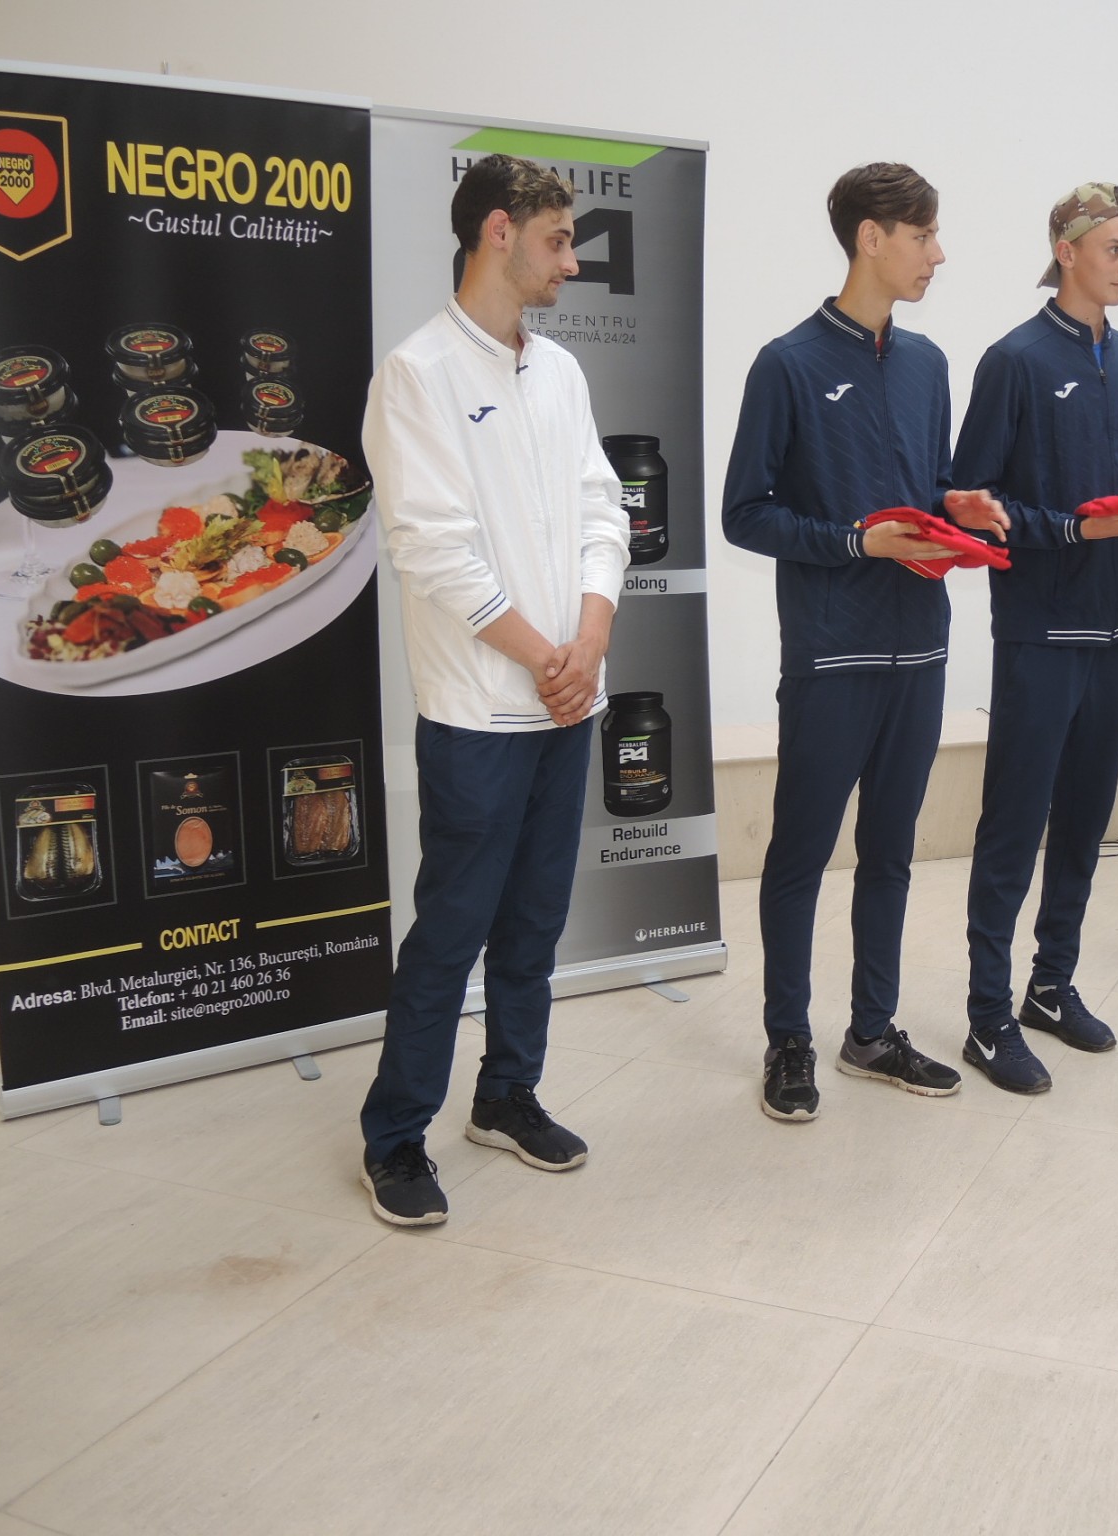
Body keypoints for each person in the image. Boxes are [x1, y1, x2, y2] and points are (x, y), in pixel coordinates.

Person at [357, 154, 630, 1225]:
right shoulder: (416, 373)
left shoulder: (559, 372)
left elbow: (604, 512)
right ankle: (394, 1137)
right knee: (451, 933)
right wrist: (543, 657)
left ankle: (507, 1095)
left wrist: (589, 638)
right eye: (559, 241)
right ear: (499, 232)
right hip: (479, 713)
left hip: (569, 702)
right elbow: (433, 550)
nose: (572, 262)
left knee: (535, 923)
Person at [723, 163, 1010, 1122]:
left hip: (919, 649)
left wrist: (956, 506)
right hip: (832, 654)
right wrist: (855, 542)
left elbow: (921, 492)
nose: (938, 253)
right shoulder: (787, 364)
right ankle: (788, 1041)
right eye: (923, 235)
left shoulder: (928, 364)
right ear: (870, 238)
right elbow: (745, 513)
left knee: (891, 852)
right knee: (801, 855)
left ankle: (873, 1032)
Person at [952, 183, 1118, 1093]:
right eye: (1116, 250)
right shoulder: (1013, 361)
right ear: (1068, 252)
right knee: (1013, 824)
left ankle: (1050, 986)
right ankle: (987, 1016)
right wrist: (1070, 528)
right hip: (1042, 631)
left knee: (1086, 821)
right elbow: (972, 504)